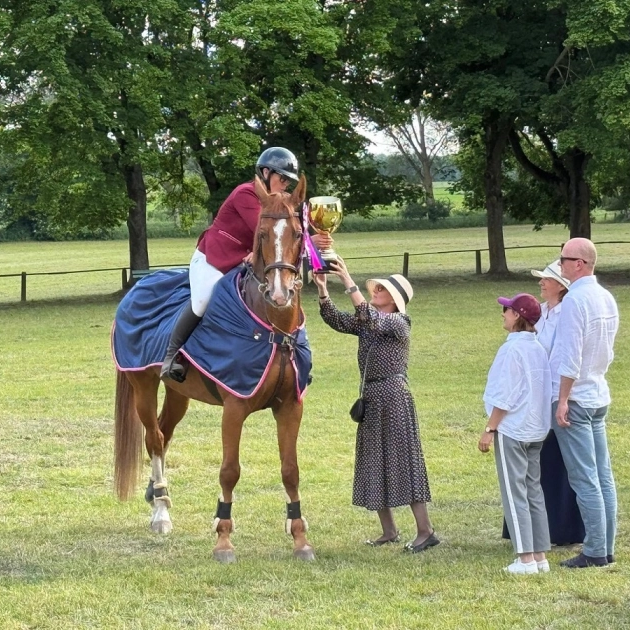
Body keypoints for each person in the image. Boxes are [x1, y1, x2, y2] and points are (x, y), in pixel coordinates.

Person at [160, 147, 331, 381]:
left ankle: (295, 358)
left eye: (289, 182)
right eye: (282, 179)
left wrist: (309, 239)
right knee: (202, 301)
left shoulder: (279, 203)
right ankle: (171, 356)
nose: (284, 185)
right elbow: (262, 233)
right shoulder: (246, 194)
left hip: (247, 260)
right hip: (215, 258)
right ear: (265, 172)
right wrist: (309, 240)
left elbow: (283, 235)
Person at [312, 259, 438, 553]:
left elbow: (369, 316)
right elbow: (336, 319)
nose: (377, 290)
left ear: (394, 300)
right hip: (371, 396)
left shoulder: (398, 323)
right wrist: (322, 291)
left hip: (393, 395)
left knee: (404, 462)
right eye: (377, 287)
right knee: (374, 460)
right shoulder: (369, 322)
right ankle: (389, 530)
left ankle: (426, 531)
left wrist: (347, 279)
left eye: (382, 289)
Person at [552, 238, 619, 568]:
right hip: (597, 391)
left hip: (577, 396)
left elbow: (570, 357)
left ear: (579, 263)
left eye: (564, 259)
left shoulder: (575, 302)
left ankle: (595, 550)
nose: (560, 264)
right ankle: (605, 546)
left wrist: (563, 399)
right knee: (603, 476)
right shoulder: (606, 297)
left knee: (585, 478)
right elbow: (608, 351)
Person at [481, 293, 552, 575]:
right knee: (534, 490)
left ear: (518, 317)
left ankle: (525, 558)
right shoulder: (538, 347)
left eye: (508, 310)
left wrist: (490, 428)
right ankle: (540, 554)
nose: (503, 314)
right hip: (536, 428)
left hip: (514, 428)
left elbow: (505, 395)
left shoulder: (511, 350)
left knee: (514, 492)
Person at [530, 261, 586, 546]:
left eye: (546, 280)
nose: (541, 283)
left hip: (556, 393)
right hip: (538, 393)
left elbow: (563, 354)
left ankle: (563, 528)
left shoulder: (566, 312)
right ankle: (539, 525)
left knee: (559, 460)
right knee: (539, 459)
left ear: (561, 285)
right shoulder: (540, 312)